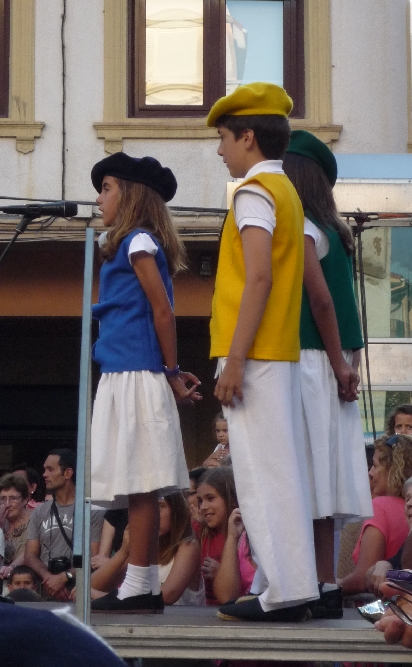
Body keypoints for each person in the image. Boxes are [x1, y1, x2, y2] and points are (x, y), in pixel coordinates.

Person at [206, 81, 319, 622]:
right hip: (276, 351)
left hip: (257, 355)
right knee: (275, 471)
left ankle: (285, 592)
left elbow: (257, 279)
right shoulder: (286, 190)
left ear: (247, 137)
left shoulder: (253, 192)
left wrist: (235, 360)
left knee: (261, 476)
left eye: (224, 139)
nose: (220, 150)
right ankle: (283, 586)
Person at [88, 152, 201, 614]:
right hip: (126, 371)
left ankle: (139, 586)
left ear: (131, 195)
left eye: (107, 188)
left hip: (135, 372)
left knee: (142, 483)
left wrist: (171, 372)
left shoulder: (137, 241)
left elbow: (162, 311)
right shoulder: (130, 243)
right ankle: (142, 584)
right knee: (140, 485)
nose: (99, 199)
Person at [282, 130, 373, 585]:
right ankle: (324, 583)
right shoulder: (335, 231)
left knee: (302, 477)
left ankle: (305, 583)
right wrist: (348, 364)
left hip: (310, 361)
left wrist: (337, 364)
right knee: (322, 481)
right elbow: (345, 306)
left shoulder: (300, 226)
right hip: (333, 361)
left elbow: (321, 302)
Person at [91, 492, 204, 606]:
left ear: (177, 511)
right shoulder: (143, 549)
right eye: (140, 509)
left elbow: (168, 596)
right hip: (142, 616)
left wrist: (102, 597)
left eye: (159, 506)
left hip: (178, 617)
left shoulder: (188, 547)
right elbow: (91, 587)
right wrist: (123, 552)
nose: (151, 514)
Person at [338, 434, 412, 594]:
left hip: (379, 603)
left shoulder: (379, 507)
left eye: (375, 465)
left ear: (392, 470)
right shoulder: (405, 508)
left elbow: (362, 580)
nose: (370, 472)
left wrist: (331, 589)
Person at [195, 467, 255, 606]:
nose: (203, 506)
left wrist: (220, 573)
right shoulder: (200, 533)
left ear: (232, 499)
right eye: (200, 501)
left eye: (210, 498)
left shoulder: (246, 538)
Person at [25, 449, 76, 601]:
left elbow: (93, 557)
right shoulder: (40, 511)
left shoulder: (90, 511)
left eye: (50, 469)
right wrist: (49, 579)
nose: (44, 474)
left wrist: (65, 576)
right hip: (46, 590)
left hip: (78, 592)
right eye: (44, 469)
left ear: (67, 473)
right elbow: (30, 555)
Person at [365, 476, 412, 595]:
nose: (409, 504)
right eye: (407, 499)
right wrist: (383, 564)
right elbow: (369, 576)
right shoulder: (408, 543)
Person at [0, 474, 32, 581]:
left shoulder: (35, 521)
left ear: (25, 499)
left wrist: (11, 568)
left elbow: (30, 551)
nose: (7, 504)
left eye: (13, 498)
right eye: (3, 499)